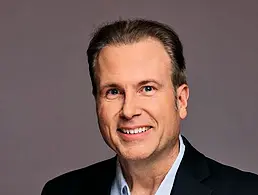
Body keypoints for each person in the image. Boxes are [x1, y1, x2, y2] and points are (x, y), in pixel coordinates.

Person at [41, 19, 258, 195]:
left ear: (181, 100)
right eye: (113, 92)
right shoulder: (61, 191)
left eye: (147, 89)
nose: (129, 111)